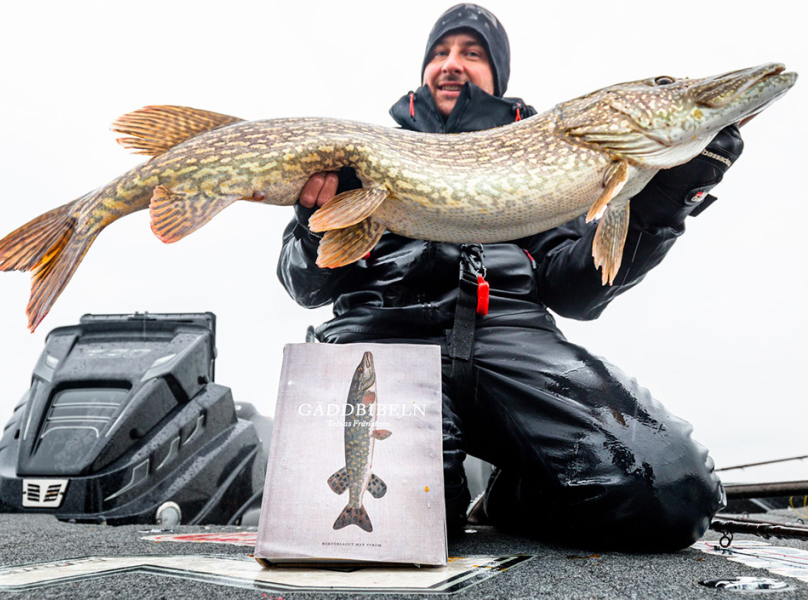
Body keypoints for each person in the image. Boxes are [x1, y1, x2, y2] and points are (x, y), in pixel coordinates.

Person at [278, 4, 744, 551]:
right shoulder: (359, 152)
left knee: (675, 494)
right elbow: (304, 286)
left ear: (496, 74)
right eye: (440, 53)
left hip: (510, 337)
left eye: (471, 53)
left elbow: (577, 292)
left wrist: (665, 199)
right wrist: (313, 225)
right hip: (378, 340)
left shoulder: (566, 155)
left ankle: (510, 497)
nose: (451, 64)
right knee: (403, 525)